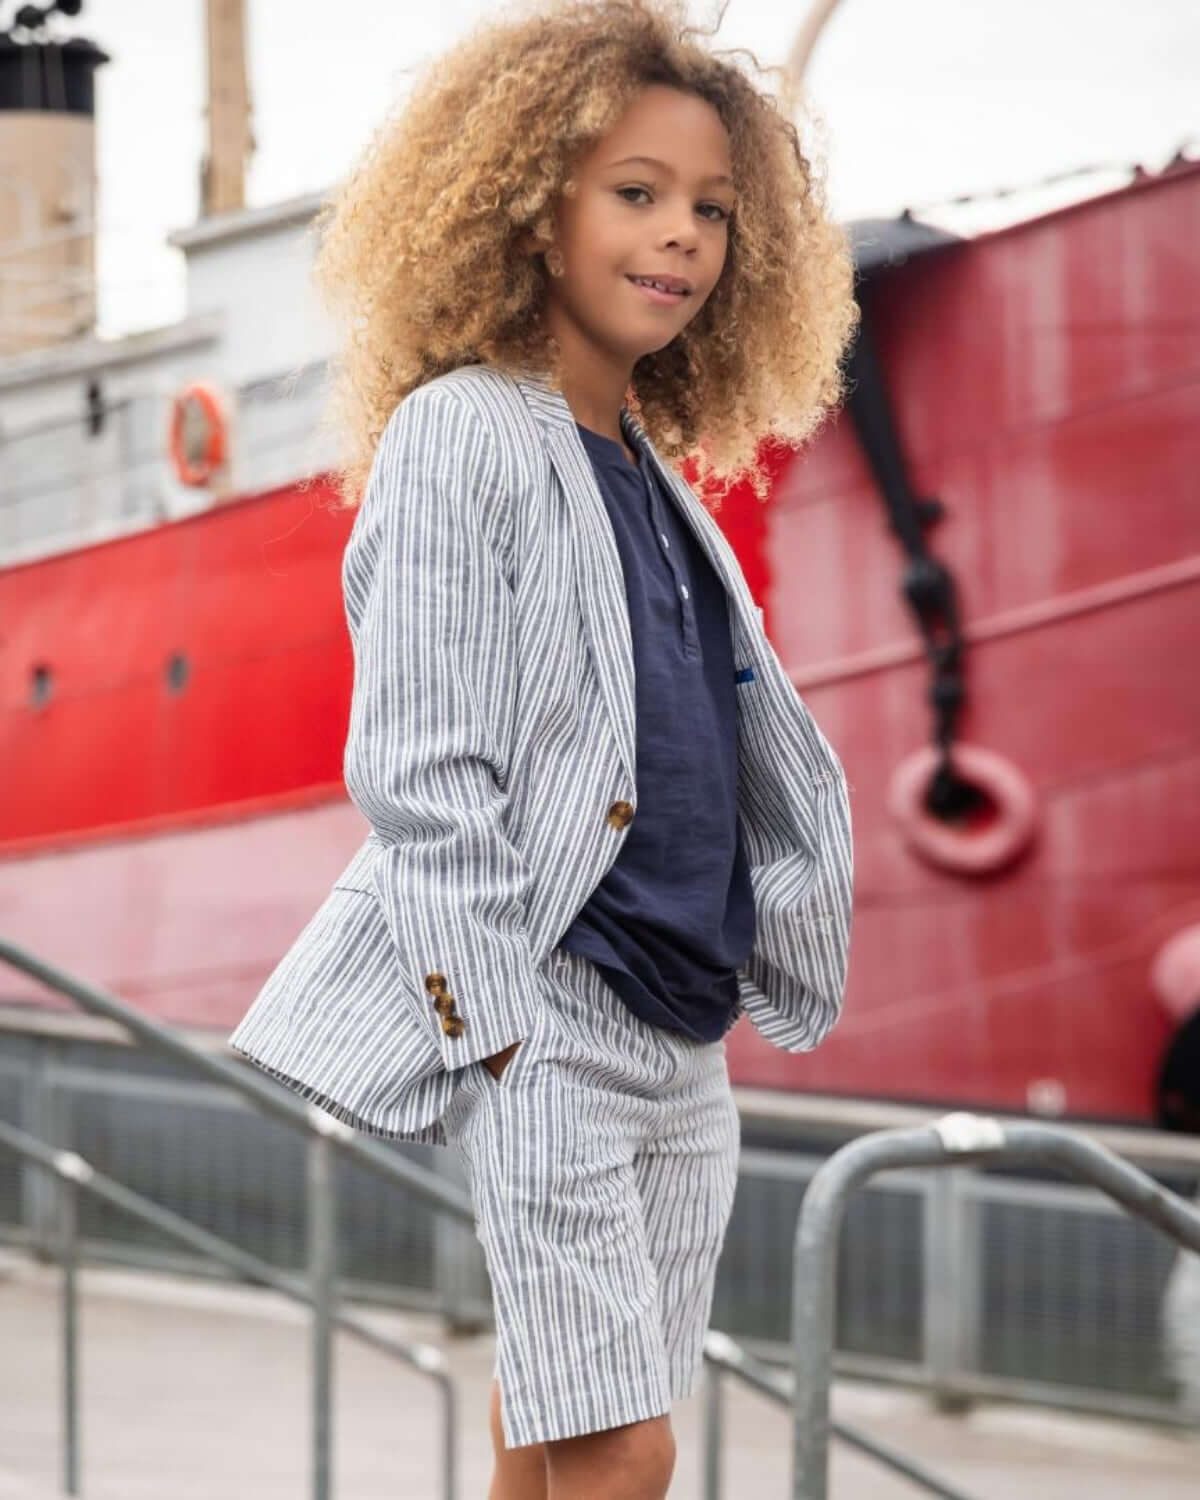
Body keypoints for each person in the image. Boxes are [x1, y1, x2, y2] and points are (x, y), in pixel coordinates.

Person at [228, 3, 859, 1496]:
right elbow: (422, 768)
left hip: (681, 1031)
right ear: (526, 207)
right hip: (555, 1015)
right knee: (622, 1457)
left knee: (558, 1431)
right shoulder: (465, 433)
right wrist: (495, 1029)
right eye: (635, 193)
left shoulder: (654, 472)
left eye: (711, 208)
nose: (682, 236)